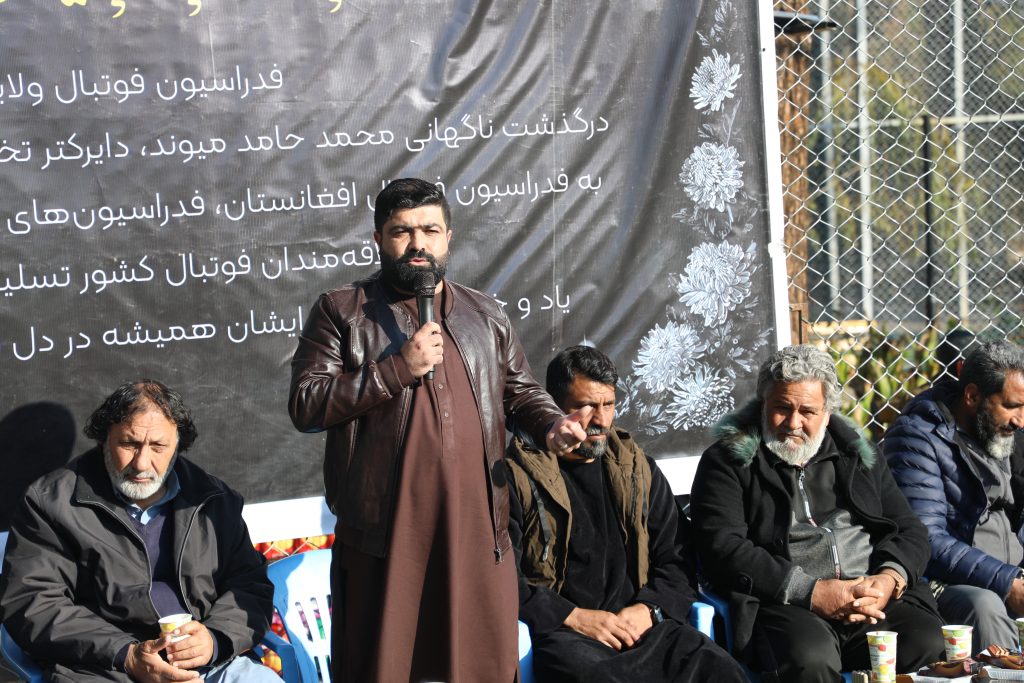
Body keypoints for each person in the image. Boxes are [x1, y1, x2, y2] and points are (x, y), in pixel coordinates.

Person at [288, 178, 587, 682]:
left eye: (429, 230)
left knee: (481, 668)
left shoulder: (485, 314)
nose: (417, 244)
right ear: (379, 239)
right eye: (401, 232)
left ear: (448, 237)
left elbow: (520, 392)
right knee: (383, 666)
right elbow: (307, 404)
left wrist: (552, 425)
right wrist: (396, 369)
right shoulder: (342, 312)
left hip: (476, 529)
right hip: (386, 536)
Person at [690, 344, 944, 682]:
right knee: (810, 658)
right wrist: (812, 592)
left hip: (870, 599)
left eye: (807, 411)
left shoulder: (857, 455)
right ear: (763, 404)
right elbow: (722, 547)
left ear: (827, 413)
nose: (793, 423)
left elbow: (910, 529)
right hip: (786, 604)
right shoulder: (728, 461)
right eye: (782, 408)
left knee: (927, 641)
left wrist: (887, 580)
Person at [0, 380, 278, 683]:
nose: (142, 463)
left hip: (209, 663)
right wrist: (127, 654)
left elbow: (249, 585)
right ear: (105, 439)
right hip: (104, 668)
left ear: (178, 446)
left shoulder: (212, 499)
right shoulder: (51, 503)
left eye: (158, 447)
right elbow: (33, 602)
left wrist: (214, 639)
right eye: (129, 444)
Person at [505, 346, 746, 683]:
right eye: (586, 406)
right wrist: (574, 617)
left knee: (720, 670)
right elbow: (504, 581)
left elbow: (677, 558)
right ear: (554, 408)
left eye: (608, 404)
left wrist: (649, 609)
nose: (601, 420)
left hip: (644, 627)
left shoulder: (637, 469)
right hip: (570, 635)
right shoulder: (515, 478)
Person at [885, 340, 1024, 649]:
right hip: (944, 582)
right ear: (972, 396)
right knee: (985, 607)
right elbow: (926, 539)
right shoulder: (917, 438)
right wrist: (1008, 583)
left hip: (1012, 573)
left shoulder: (1006, 432)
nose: (1020, 420)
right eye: (1011, 406)